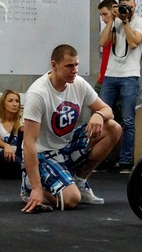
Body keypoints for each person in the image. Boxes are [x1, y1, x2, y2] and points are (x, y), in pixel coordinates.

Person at [21, 44, 121, 212]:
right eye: (69, 66)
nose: (74, 70)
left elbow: (107, 110)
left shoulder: (79, 83)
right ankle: (30, 186)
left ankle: (80, 180)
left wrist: (99, 115)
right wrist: (38, 189)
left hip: (66, 146)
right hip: (44, 154)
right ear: (54, 65)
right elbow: (29, 142)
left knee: (113, 127)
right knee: (72, 200)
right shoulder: (38, 94)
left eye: (76, 65)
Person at [97, 0, 142, 174]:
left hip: (130, 75)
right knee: (102, 117)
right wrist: (112, 19)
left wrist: (126, 21)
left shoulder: (141, 22)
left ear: (135, 5)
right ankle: (100, 158)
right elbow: (102, 42)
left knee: (128, 120)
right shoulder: (114, 21)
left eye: (131, 6)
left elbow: (134, 42)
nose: (128, 9)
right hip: (111, 75)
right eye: (124, 6)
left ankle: (125, 161)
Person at [0, 89, 23, 179]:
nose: (14, 104)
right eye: (10, 101)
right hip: (2, 157)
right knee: (6, 154)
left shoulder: (22, 121)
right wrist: (6, 146)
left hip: (18, 156)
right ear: (3, 104)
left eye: (17, 101)